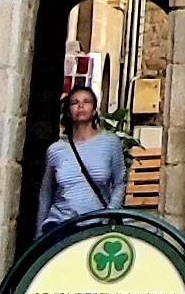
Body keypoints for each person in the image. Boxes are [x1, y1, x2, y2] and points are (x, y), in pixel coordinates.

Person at [35, 80, 122, 238]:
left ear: (94, 110)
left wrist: (111, 212)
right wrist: (39, 234)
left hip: (97, 223)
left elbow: (119, 183)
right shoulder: (56, 150)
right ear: (68, 112)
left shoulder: (110, 142)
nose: (80, 106)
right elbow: (46, 193)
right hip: (60, 224)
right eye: (75, 103)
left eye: (86, 102)